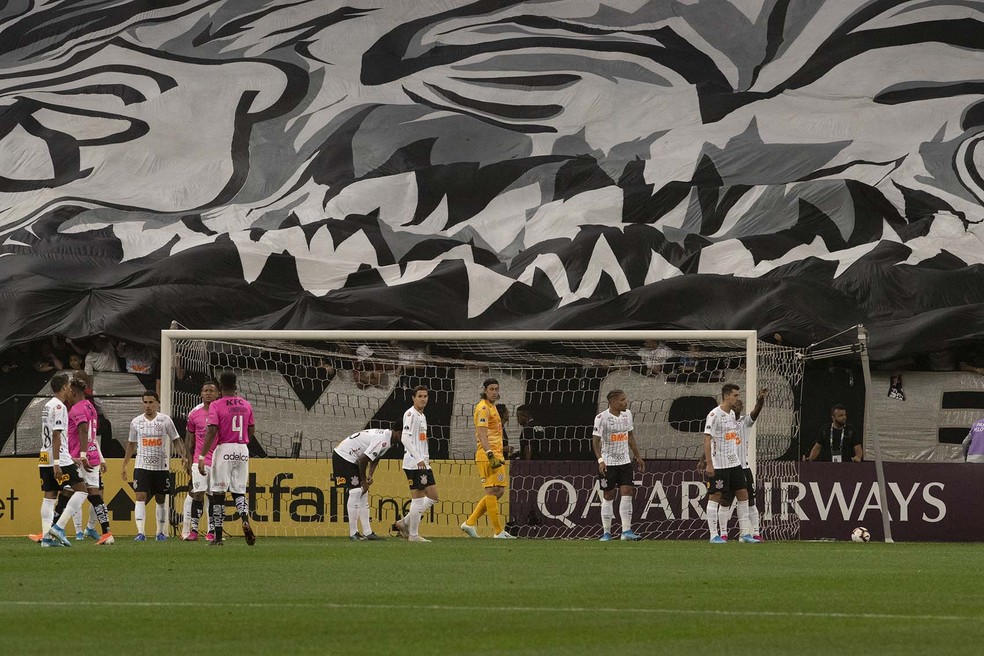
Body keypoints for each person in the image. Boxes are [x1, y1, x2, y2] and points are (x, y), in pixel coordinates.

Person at [198, 372, 256, 546]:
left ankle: (217, 535)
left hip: (224, 448)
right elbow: (251, 429)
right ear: (236, 386)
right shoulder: (246, 404)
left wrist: (202, 455)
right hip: (242, 449)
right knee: (239, 491)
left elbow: (212, 430)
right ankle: (244, 519)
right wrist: (242, 444)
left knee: (218, 493)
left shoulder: (217, 405)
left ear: (220, 388)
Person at [122, 390, 186, 541]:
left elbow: (176, 439)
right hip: (141, 465)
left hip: (161, 467)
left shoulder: (165, 420)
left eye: (151, 402)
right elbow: (131, 444)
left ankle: (160, 532)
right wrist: (124, 464)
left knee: (160, 498)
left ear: (157, 403)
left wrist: (183, 456)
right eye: (145, 402)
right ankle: (141, 532)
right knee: (140, 496)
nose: (148, 406)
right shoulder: (136, 422)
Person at [460, 379, 514, 539]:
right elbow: (482, 433)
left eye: (496, 389)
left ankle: (469, 523)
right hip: (487, 454)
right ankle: (498, 532)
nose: (494, 392)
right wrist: (489, 453)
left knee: (498, 491)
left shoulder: (493, 407)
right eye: (491, 389)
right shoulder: (483, 408)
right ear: (484, 390)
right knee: (492, 491)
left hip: (497, 453)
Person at [63, 376, 114, 544]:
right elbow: (93, 434)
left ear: (72, 391)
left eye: (68, 392)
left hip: (79, 458)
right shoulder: (90, 407)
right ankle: (107, 533)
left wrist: (82, 455)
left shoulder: (76, 409)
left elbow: (84, 431)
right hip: (92, 455)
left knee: (68, 492)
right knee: (94, 494)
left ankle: (54, 530)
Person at [704, 383, 757, 544]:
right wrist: (709, 463)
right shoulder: (714, 415)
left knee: (743, 494)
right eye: (735, 396)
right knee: (715, 496)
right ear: (726, 396)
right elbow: (707, 440)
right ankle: (714, 535)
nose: (737, 399)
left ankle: (744, 534)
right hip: (719, 464)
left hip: (735, 463)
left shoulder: (732, 415)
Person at [714, 390, 768, 543]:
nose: (738, 403)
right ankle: (723, 533)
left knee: (750, 500)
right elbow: (713, 440)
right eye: (736, 401)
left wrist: (760, 400)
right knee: (725, 501)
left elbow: (756, 412)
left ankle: (754, 532)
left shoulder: (745, 421)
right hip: (726, 466)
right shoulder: (723, 422)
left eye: (740, 403)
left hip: (743, 468)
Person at [332, 425, 403, 540]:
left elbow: (376, 457)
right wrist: (363, 481)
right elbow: (363, 460)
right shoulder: (382, 439)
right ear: (396, 431)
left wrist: (370, 474)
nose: (404, 437)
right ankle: (353, 533)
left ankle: (368, 532)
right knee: (355, 492)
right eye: (402, 433)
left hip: (353, 457)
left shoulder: (389, 439)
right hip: (343, 456)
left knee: (363, 494)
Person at [592, 389, 645, 541]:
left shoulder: (627, 414)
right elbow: (595, 441)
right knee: (608, 495)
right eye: (622, 400)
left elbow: (630, 436)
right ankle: (607, 532)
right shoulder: (601, 418)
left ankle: (626, 531)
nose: (625, 402)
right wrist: (600, 460)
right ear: (612, 402)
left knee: (627, 492)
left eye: (625, 399)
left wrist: (638, 456)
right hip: (608, 463)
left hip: (625, 461)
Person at [31, 373, 73, 546]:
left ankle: (47, 538)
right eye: (69, 386)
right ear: (64, 387)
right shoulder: (59, 407)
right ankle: (57, 528)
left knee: (50, 495)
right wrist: (57, 462)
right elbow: (56, 435)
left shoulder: (47, 405)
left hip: (44, 455)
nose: (70, 389)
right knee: (79, 489)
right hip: (57, 457)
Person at [393, 385, 438, 543]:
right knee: (419, 499)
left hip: (422, 463)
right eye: (420, 396)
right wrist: (418, 458)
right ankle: (413, 534)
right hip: (415, 463)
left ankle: (404, 523)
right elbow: (405, 438)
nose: (423, 399)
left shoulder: (422, 416)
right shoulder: (411, 414)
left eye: (425, 396)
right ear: (413, 398)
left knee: (433, 496)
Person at [181, 380, 219, 541]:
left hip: (217, 460)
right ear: (201, 394)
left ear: (218, 394)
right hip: (199, 460)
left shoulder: (221, 412)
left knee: (214, 496)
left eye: (211, 390)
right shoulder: (194, 414)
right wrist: (189, 461)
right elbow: (190, 440)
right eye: (205, 390)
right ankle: (194, 531)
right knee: (198, 494)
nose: (208, 393)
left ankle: (211, 531)